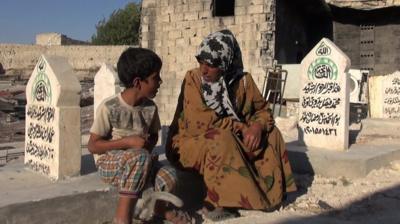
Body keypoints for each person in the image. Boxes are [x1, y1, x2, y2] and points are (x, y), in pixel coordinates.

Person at [166, 30, 297, 221]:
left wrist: (256, 127)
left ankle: (269, 195)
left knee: (272, 133)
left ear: (226, 63)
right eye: (201, 62)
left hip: (233, 138)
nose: (204, 69)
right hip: (189, 143)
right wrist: (241, 127)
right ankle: (217, 203)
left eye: (211, 65)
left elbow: (263, 111)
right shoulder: (193, 79)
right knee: (220, 138)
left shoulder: (243, 82)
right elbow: (200, 123)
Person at [88, 47, 193, 224]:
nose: (160, 81)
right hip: (111, 165)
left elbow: (152, 136)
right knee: (140, 157)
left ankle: (158, 211)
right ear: (138, 82)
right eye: (155, 77)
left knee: (169, 174)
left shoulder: (150, 108)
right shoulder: (110, 107)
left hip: (140, 163)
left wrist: (147, 147)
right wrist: (127, 142)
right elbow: (93, 145)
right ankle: (122, 217)